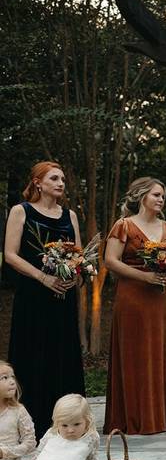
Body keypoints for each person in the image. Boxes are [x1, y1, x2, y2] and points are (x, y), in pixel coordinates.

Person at [3, 161, 85, 438]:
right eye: (54, 178)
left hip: (63, 296)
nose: (61, 183)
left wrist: (74, 275)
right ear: (38, 182)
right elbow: (10, 255)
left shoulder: (69, 215)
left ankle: (68, 424)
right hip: (34, 297)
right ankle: (32, 427)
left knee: (64, 356)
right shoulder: (20, 211)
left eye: (62, 178)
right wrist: (43, 277)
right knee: (34, 356)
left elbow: (79, 255)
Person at [103, 177, 166, 435]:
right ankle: (135, 418)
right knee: (134, 354)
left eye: (163, 196)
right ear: (141, 196)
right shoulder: (124, 225)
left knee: (160, 353)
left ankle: (161, 418)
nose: (161, 199)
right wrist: (145, 276)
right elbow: (110, 261)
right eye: (156, 195)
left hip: (161, 299)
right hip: (132, 298)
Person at [0, 362, 36, 460]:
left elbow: (30, 443)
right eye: (4, 377)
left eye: (12, 376)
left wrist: (5, 452)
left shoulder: (18, 411)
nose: (12, 381)